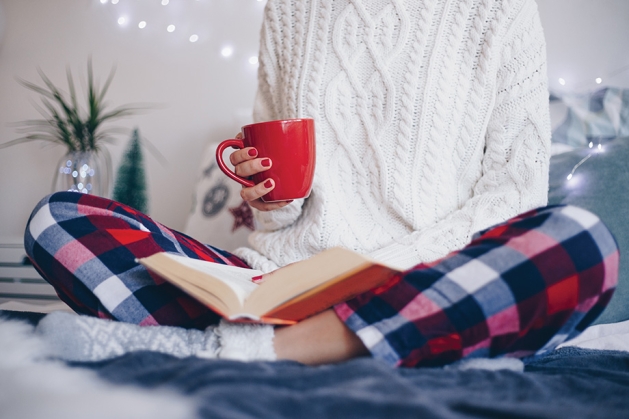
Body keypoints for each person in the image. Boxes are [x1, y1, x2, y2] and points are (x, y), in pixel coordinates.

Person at [26, 0, 618, 367]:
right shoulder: (289, 7)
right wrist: (271, 201)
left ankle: (235, 350)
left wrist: (381, 268)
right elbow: (278, 201)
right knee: (56, 222)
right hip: (276, 282)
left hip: (420, 279)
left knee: (581, 245)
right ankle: (365, 344)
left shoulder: (500, 8)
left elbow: (515, 198)